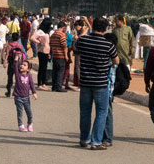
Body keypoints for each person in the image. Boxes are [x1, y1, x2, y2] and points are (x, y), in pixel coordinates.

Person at [74, 17, 119, 150]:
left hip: (85, 82)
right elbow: (116, 61)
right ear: (105, 29)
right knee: (101, 112)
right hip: (100, 83)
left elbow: (75, 47)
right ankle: (96, 141)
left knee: (85, 112)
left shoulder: (83, 40)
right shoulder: (108, 45)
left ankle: (84, 139)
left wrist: (83, 32)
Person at [12, 58, 37, 132]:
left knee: (29, 112)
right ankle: (21, 125)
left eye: (24, 65)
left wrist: (34, 92)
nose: (22, 66)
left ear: (28, 69)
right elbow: (16, 67)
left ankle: (30, 124)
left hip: (26, 97)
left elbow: (32, 84)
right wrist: (16, 60)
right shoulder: (17, 75)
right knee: (20, 112)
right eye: (21, 64)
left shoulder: (29, 76)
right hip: (18, 97)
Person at [2, 32, 27, 97]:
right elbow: (22, 54)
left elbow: (7, 54)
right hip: (18, 63)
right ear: (18, 38)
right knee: (18, 77)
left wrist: (5, 62)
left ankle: (8, 91)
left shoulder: (9, 45)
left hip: (11, 63)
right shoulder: (19, 45)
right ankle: (17, 91)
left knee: (10, 77)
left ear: (12, 38)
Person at [30, 20, 51, 88]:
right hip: (41, 51)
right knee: (41, 68)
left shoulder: (47, 32)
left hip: (47, 51)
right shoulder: (40, 32)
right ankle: (39, 83)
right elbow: (32, 38)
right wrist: (38, 42)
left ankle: (43, 82)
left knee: (45, 68)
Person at [50, 21, 69, 92]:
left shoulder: (53, 34)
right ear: (63, 27)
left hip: (54, 55)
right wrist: (66, 55)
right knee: (60, 71)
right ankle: (59, 87)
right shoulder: (62, 35)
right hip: (61, 55)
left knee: (55, 71)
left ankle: (54, 86)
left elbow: (51, 44)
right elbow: (64, 46)